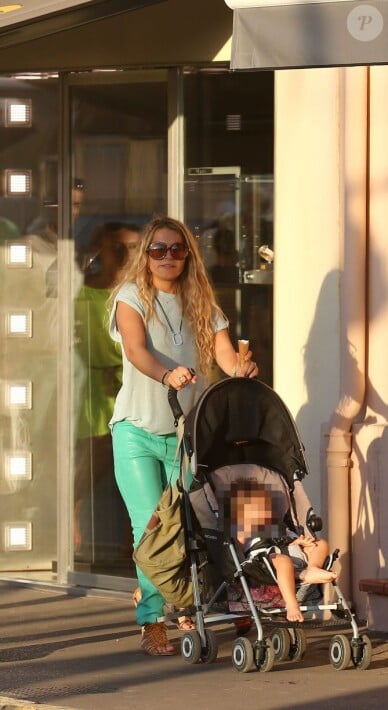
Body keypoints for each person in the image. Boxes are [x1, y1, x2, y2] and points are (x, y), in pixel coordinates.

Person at [108, 215, 259, 656]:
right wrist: (167, 373)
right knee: (151, 526)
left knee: (193, 524)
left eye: (177, 249)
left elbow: (227, 358)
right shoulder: (131, 296)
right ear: (146, 255)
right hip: (136, 429)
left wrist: (242, 368)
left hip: (185, 435)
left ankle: (188, 603)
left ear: (188, 255)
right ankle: (152, 621)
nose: (168, 257)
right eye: (159, 250)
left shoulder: (204, 305)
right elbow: (137, 351)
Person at [73, 222, 139, 558]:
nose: (126, 255)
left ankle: (140, 547)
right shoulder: (81, 293)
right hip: (94, 391)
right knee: (90, 465)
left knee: (136, 471)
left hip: (135, 390)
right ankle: (72, 527)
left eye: (133, 247)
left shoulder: (143, 295)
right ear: (100, 250)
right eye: (117, 247)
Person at [227, 479, 337, 623]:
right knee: (283, 561)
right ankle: (291, 604)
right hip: (265, 561)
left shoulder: (279, 526)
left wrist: (301, 542)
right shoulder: (244, 530)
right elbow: (237, 547)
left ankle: (311, 569)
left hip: (292, 553)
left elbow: (291, 538)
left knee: (321, 544)